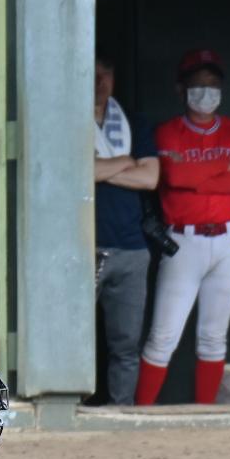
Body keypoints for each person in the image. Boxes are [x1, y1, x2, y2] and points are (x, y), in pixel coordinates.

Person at [137, 48, 230, 406]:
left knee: (214, 338)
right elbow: (173, 175)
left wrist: (198, 180)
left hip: (228, 240)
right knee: (162, 338)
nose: (205, 92)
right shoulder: (168, 132)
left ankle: (204, 415)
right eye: (197, 85)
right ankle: (139, 414)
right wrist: (225, 172)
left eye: (212, 85)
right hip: (183, 242)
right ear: (181, 90)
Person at [93, 54, 160, 407]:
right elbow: (75, 172)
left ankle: (121, 411)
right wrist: (124, 163)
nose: (98, 81)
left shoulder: (133, 120)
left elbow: (150, 177)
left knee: (126, 344)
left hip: (132, 248)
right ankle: (72, 410)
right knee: (75, 340)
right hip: (84, 247)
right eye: (91, 73)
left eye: (105, 73)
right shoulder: (72, 121)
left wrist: (99, 168)